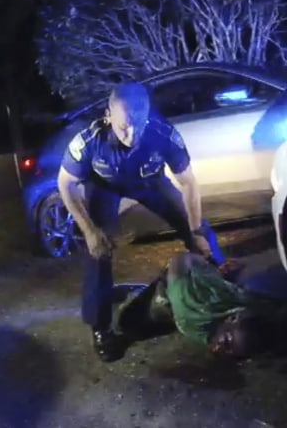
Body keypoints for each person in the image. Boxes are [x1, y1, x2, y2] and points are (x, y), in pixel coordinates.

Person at [57, 82, 220, 362]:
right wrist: (90, 231)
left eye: (139, 124)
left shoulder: (163, 133)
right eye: (124, 127)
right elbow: (65, 184)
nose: (131, 135)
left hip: (150, 182)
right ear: (109, 116)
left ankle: (222, 286)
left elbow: (189, 183)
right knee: (99, 249)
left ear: (148, 114)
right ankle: (101, 327)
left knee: (199, 230)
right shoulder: (88, 141)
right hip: (104, 186)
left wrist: (195, 231)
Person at [164, 253, 287, 357]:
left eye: (232, 354)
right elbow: (179, 259)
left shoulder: (191, 308)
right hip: (201, 270)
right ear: (231, 319)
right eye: (227, 342)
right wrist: (206, 263)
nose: (222, 350)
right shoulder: (188, 296)